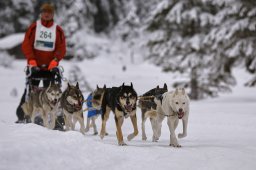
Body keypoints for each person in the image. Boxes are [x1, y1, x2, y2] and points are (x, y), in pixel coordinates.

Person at [16, 3, 66, 130]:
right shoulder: (34, 28)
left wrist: (55, 60)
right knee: (30, 91)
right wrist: (31, 59)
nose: (47, 13)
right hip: (35, 67)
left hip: (51, 67)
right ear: (41, 13)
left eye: (49, 11)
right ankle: (24, 115)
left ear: (53, 14)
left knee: (52, 92)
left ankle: (57, 119)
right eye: (44, 11)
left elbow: (61, 47)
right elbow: (26, 44)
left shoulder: (57, 30)